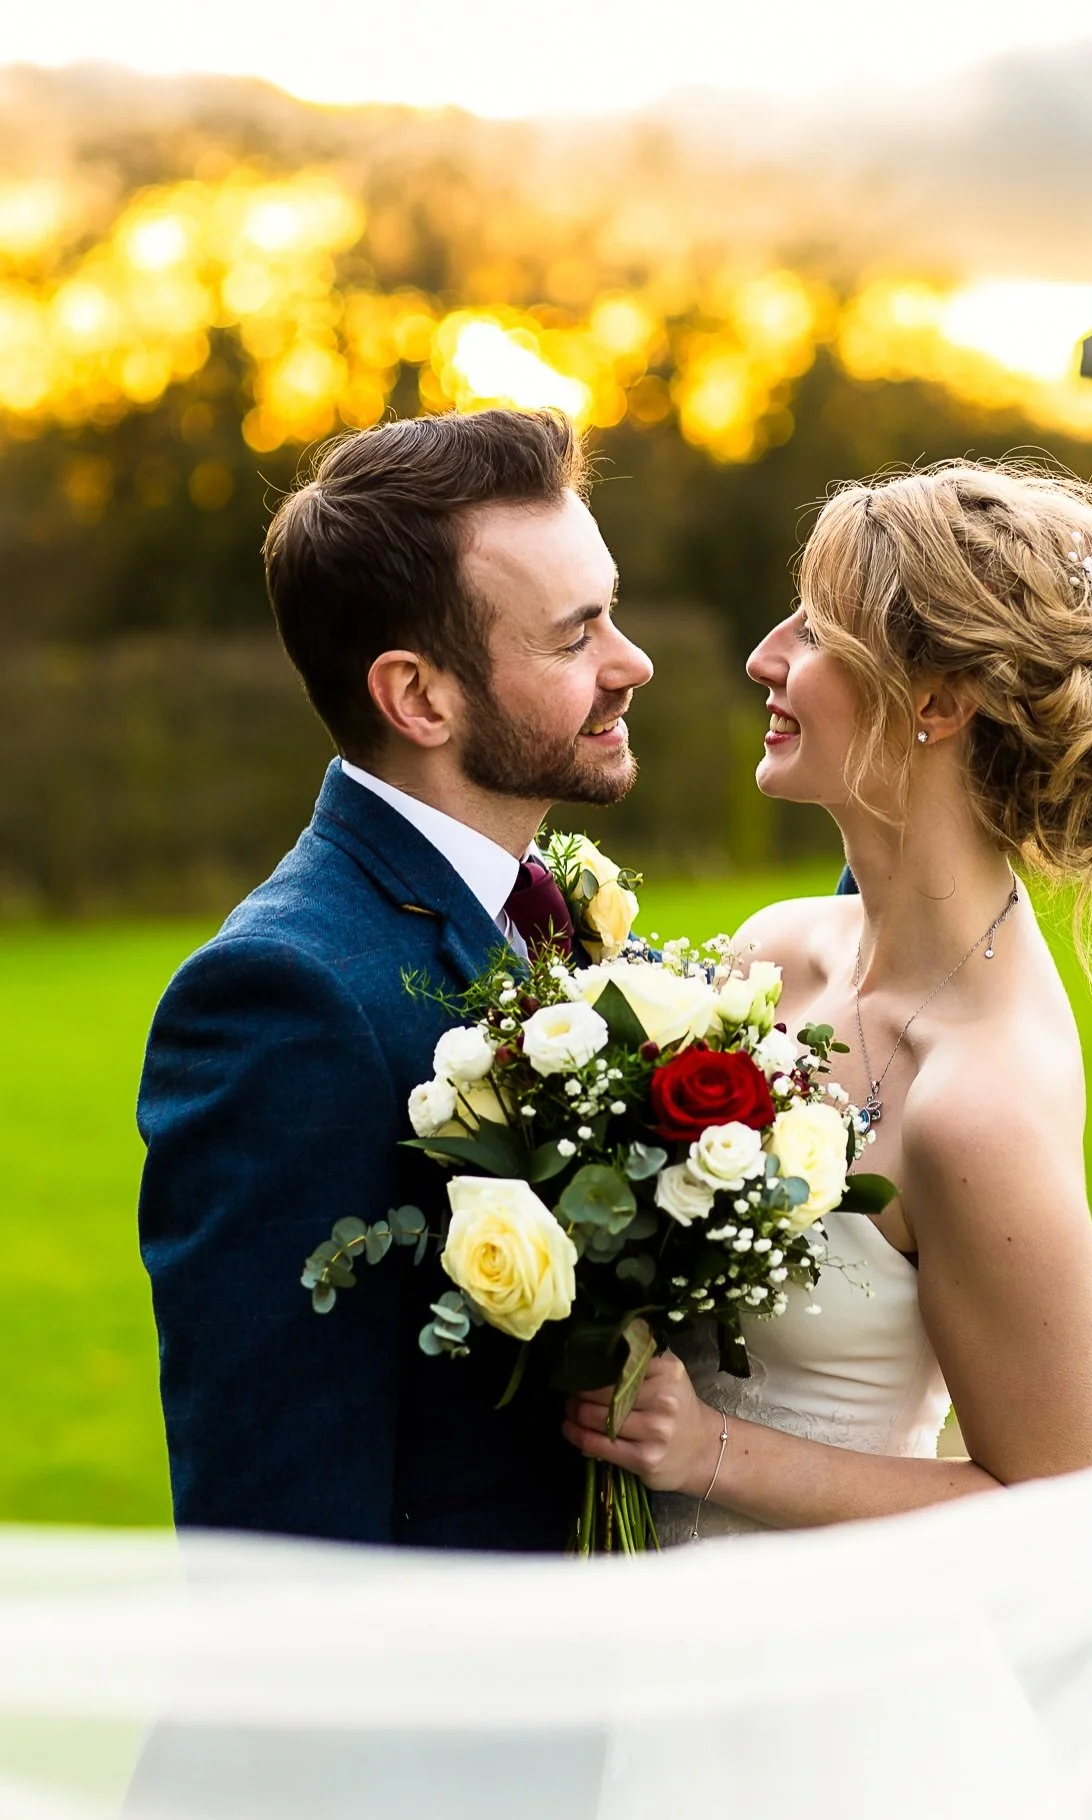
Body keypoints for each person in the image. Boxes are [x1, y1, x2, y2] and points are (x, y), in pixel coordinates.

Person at [564, 462, 1092, 1538]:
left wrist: (715, 1451)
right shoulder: (773, 954)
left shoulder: (979, 1098)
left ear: (936, 700)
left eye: (814, 630)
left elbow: (1056, 1506)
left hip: (836, 1672)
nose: (764, 657)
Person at [138, 406, 652, 1551]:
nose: (633, 663)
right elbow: (275, 1531)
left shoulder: (542, 911)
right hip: (451, 1717)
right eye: (576, 638)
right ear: (419, 697)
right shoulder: (282, 1000)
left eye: (610, 611)